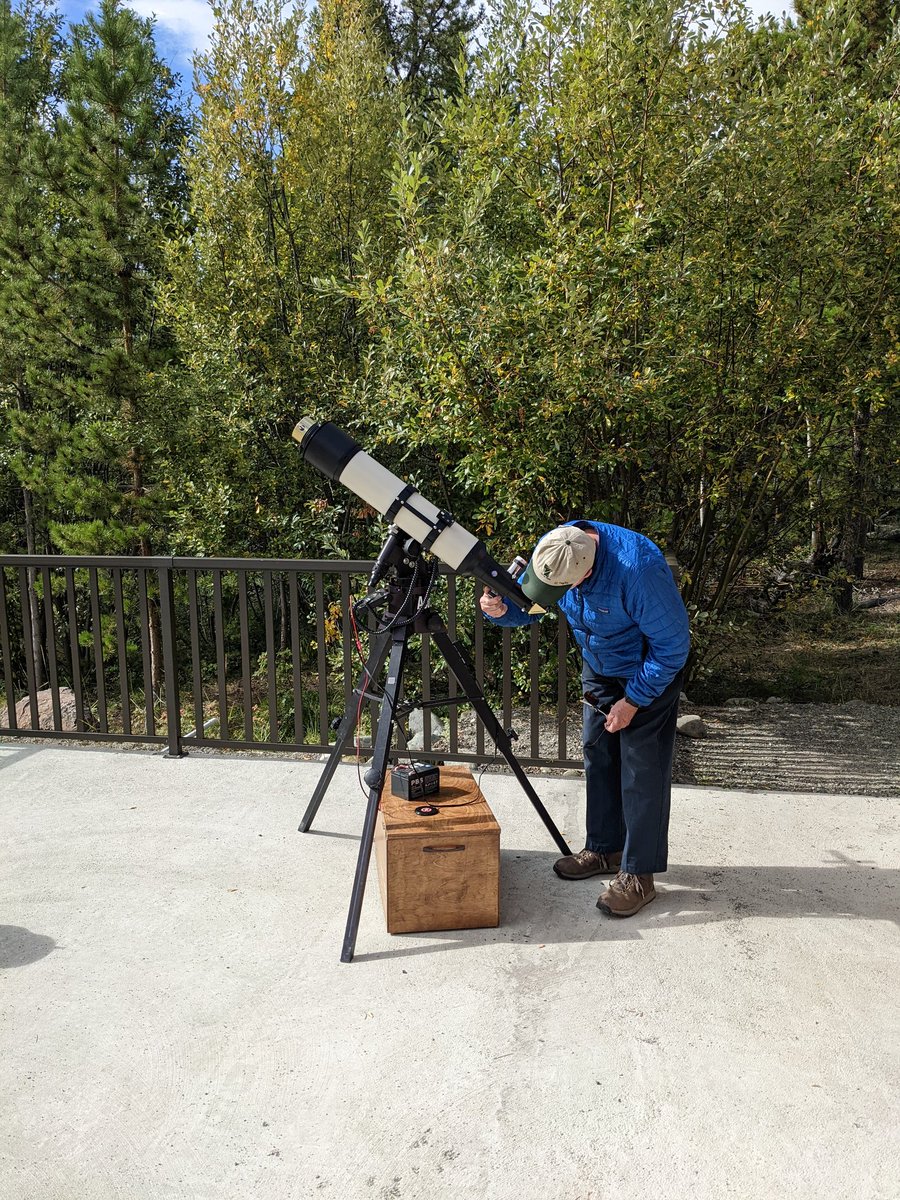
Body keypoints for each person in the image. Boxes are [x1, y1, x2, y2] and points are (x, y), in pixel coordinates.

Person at [479, 522, 690, 917]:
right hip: (600, 666)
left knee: (641, 769)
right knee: (599, 755)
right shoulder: (558, 546)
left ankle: (639, 875)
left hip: (648, 670)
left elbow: (672, 648)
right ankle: (605, 849)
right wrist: (501, 611)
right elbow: (531, 606)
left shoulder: (638, 570)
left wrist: (634, 701)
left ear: (587, 572)